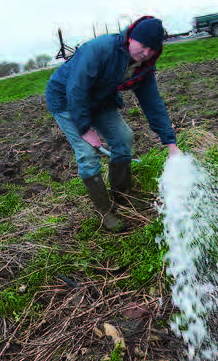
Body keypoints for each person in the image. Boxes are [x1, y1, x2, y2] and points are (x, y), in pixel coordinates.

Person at [44, 15, 182, 231]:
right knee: (88, 154)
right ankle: (105, 211)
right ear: (131, 38)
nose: (146, 53)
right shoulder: (100, 49)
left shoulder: (144, 66)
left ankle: (122, 193)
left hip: (99, 99)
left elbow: (152, 102)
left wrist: (170, 143)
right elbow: (76, 89)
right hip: (66, 100)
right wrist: (85, 129)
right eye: (143, 45)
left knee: (124, 138)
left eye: (152, 49)